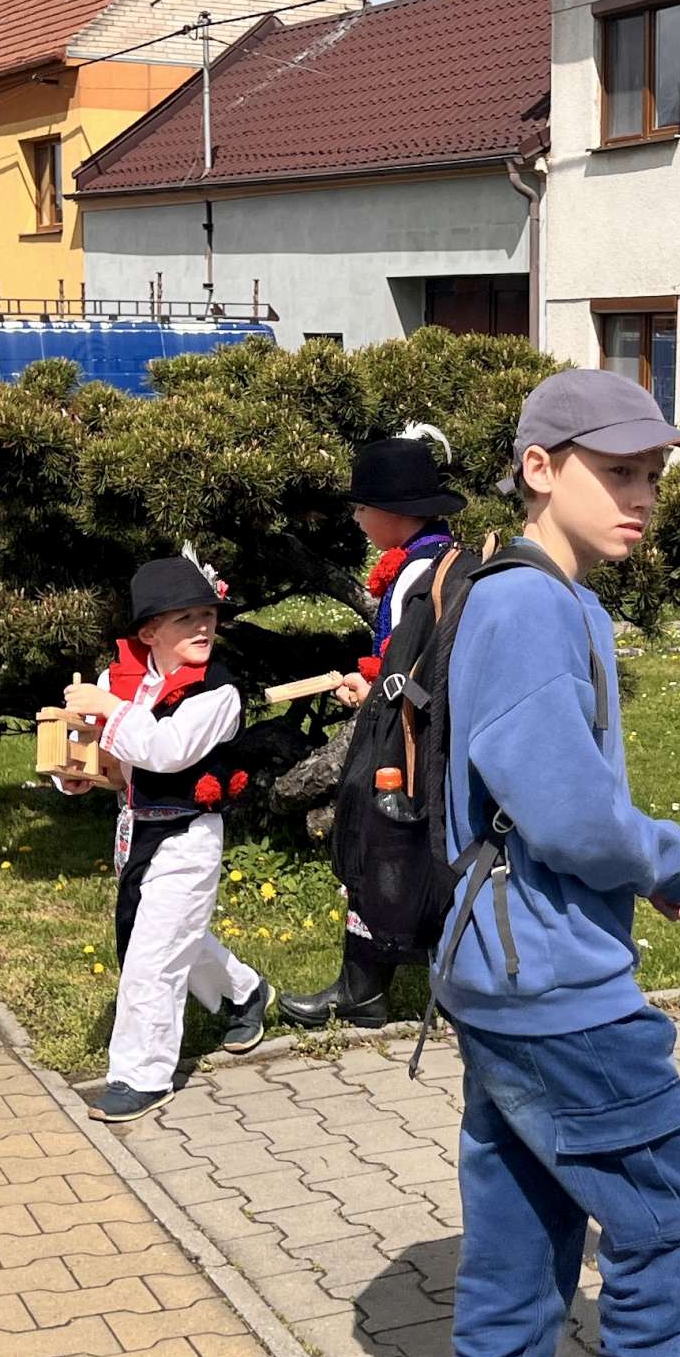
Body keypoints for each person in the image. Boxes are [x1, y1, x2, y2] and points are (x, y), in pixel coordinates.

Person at [417, 367, 680, 1357]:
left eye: (653, 474)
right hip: (556, 989)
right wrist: (672, 859)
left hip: (503, 975)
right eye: (616, 471)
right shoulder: (530, 607)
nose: (642, 495)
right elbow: (563, 808)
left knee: (521, 1251)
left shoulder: (531, 595)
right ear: (538, 468)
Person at [60, 552, 274, 1124]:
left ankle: (142, 1076)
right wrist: (76, 774)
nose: (203, 628)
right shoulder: (117, 679)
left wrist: (111, 710)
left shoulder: (218, 692)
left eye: (208, 615)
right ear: (149, 632)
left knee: (151, 957)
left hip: (189, 835)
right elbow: (97, 750)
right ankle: (245, 992)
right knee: (171, 933)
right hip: (135, 828)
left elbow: (167, 749)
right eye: (186, 619)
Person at [284, 430, 464, 1031]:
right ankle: (418, 979)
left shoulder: (417, 574)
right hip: (422, 724)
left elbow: (414, 661)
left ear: (394, 512)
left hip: (405, 733)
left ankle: (364, 989)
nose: (357, 518)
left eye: (363, 507)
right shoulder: (443, 558)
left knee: (375, 840)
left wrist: (374, 692)